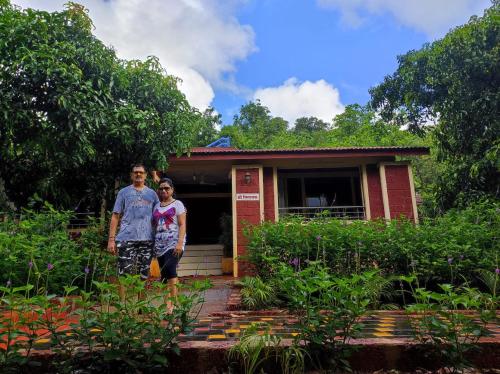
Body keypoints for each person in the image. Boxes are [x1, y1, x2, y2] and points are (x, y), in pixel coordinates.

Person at [107, 164, 159, 298]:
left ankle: (142, 306)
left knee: (144, 274)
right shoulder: (123, 192)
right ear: (131, 175)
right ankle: (122, 307)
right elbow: (115, 215)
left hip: (147, 239)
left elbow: (159, 214)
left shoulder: (152, 194)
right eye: (136, 172)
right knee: (123, 274)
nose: (138, 175)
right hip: (126, 238)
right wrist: (111, 240)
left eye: (141, 172)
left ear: (145, 175)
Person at [152, 177, 186, 312]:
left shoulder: (178, 204)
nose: (164, 190)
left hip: (173, 244)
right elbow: (154, 225)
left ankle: (174, 304)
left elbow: (182, 224)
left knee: (171, 270)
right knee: (164, 275)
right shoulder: (156, 206)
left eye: (167, 188)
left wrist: (179, 242)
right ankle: (167, 305)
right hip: (159, 245)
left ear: (172, 190)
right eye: (161, 188)